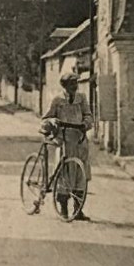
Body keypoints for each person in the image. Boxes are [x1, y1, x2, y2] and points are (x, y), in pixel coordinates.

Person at [41, 61, 95, 220]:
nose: (74, 87)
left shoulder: (82, 98)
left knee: (81, 174)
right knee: (63, 174)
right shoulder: (57, 100)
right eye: (71, 84)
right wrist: (52, 123)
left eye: (76, 83)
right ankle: (63, 208)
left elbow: (88, 115)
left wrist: (86, 123)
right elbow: (46, 118)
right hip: (63, 141)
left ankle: (78, 210)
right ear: (64, 86)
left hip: (79, 140)